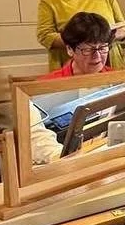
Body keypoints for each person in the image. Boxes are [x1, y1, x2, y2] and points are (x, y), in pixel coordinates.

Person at [29, 12, 116, 165]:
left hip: (109, 157)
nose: (97, 56)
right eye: (88, 50)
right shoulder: (46, 88)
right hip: (63, 164)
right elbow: (38, 141)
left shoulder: (118, 80)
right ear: (70, 49)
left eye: (102, 48)